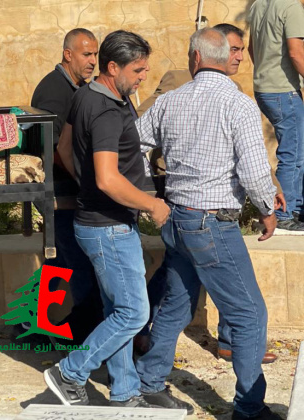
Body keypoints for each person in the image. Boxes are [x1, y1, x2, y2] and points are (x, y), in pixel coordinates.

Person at [135, 28, 279, 420]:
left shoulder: (170, 101)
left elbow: (132, 145)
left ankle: (148, 382)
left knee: (176, 304)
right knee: (249, 315)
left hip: (177, 218)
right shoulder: (239, 104)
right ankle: (249, 408)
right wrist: (267, 209)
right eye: (235, 51)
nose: (240, 57)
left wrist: (148, 196)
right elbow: (254, 170)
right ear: (212, 56)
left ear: (195, 58)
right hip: (212, 223)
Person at [43, 30, 177, 410]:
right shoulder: (105, 110)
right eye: (137, 70)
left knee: (117, 311)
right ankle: (69, 372)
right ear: (113, 67)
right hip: (109, 227)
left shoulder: (85, 95)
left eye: (145, 69)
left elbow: (64, 147)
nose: (143, 77)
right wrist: (151, 205)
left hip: (97, 222)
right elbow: (107, 178)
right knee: (134, 313)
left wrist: (87, 185)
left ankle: (125, 392)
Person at [31, 29, 103, 343]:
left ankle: (32, 322)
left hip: (65, 190)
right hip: (60, 192)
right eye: (86, 54)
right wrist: (84, 182)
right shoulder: (54, 90)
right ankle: (85, 330)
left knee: (59, 261)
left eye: (95, 54)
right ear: (68, 54)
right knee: (78, 261)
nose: (92, 61)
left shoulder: (75, 87)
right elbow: (56, 149)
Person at [248, 0, 304, 233]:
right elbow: (296, 53)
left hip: (264, 88)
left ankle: (295, 207)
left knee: (294, 150)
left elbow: (251, 49)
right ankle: (284, 214)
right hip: (283, 90)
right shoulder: (291, 5)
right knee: (293, 154)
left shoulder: (259, 3)